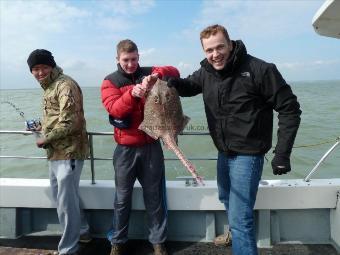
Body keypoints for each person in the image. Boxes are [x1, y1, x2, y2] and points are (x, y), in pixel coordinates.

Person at [167, 24, 301, 255]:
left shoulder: (261, 69)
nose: (215, 54)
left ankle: (239, 236)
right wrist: (171, 81)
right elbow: (189, 86)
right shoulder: (206, 72)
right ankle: (235, 234)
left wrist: (282, 154)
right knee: (226, 199)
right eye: (209, 50)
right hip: (224, 152)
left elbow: (290, 109)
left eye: (220, 47)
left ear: (230, 44)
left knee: (241, 218)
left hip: (248, 155)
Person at [100, 39, 180, 255]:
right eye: (126, 60)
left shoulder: (148, 72)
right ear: (118, 59)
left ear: (139, 57)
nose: (130, 64)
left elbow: (176, 72)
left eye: (134, 59)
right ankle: (117, 241)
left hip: (152, 146)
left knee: (155, 198)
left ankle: (158, 242)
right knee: (122, 198)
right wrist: (131, 94)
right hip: (125, 149)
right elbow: (115, 109)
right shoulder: (110, 81)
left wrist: (158, 74)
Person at [27, 49, 91, 255]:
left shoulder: (64, 85)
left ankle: (68, 249)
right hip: (56, 152)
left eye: (44, 67)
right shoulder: (49, 87)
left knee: (65, 202)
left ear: (52, 66)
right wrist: (41, 128)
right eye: (35, 69)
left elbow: (72, 120)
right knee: (65, 197)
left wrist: (46, 138)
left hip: (69, 152)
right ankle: (82, 231)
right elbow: (57, 117)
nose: (40, 72)